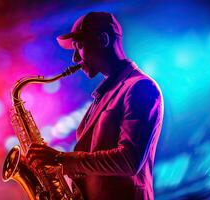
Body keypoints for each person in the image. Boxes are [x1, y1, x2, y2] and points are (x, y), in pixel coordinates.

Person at [27, 11, 164, 200]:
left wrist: (60, 159)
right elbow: (94, 171)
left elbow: (128, 161)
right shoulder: (102, 97)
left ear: (103, 39)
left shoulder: (140, 87)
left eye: (80, 46)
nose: (75, 58)